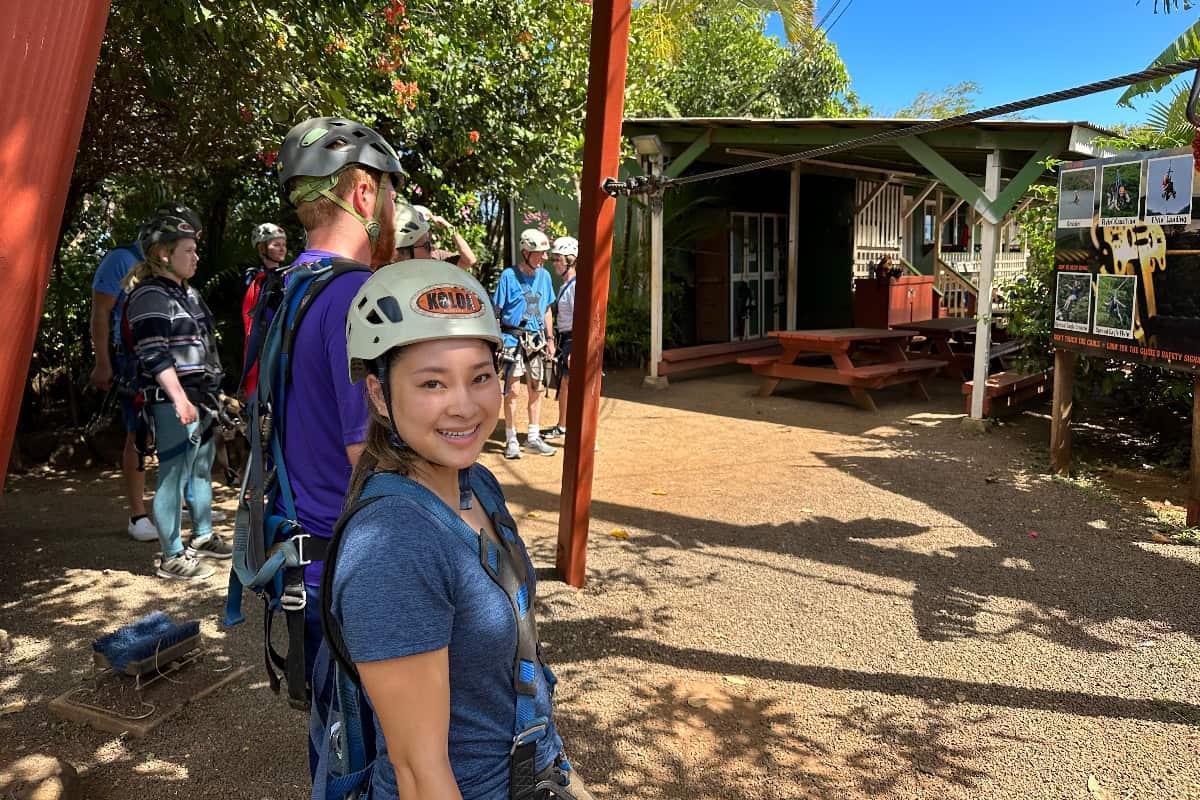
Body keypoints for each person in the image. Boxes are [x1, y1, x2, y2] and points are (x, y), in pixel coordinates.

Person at [317, 259, 591, 800]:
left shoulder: (477, 483)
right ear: (377, 394)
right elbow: (420, 772)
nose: (464, 406)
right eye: (432, 382)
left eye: (480, 376)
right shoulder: (394, 546)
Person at [273, 116, 401, 700]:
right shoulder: (354, 295)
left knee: (333, 750)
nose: (392, 210)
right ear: (364, 192)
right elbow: (364, 452)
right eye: (390, 192)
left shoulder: (291, 285)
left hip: (304, 556)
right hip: (349, 567)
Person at [123, 210, 229, 580]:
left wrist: (215, 394)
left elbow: (202, 347)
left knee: (201, 468)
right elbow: (153, 353)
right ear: (164, 253)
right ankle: (171, 556)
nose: (196, 256)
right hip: (171, 399)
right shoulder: (150, 295)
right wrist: (179, 398)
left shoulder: (188, 293)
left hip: (199, 397)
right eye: (189, 250)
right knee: (172, 474)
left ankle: (201, 535)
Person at [493, 229, 557, 459]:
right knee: (513, 390)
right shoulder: (508, 277)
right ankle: (511, 438)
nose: (545, 257)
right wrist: (496, 341)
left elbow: (547, 308)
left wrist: (550, 339)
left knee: (537, 388)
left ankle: (532, 436)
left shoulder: (545, 276)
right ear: (526, 252)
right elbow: (497, 311)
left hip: (537, 340)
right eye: (540, 253)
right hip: (512, 338)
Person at [240, 222, 289, 396]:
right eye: (276, 245)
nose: (282, 249)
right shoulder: (253, 276)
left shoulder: (290, 274)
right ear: (262, 249)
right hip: (264, 342)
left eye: (284, 245)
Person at [542, 236, 577, 442]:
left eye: (557, 259)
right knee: (564, 384)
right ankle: (563, 425)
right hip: (565, 338)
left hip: (572, 339)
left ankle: (576, 428)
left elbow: (579, 318)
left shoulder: (574, 287)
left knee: (570, 384)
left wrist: (574, 349)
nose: (554, 262)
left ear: (569, 260)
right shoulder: (566, 285)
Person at [414, 203, 478, 268]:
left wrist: (449, 227)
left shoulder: (436, 256)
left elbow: (469, 261)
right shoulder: (405, 253)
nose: (429, 233)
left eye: (428, 228)